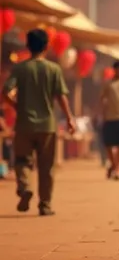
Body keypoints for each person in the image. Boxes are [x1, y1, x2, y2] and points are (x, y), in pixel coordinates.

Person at [1, 28, 75, 215]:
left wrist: (17, 106)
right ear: (47, 46)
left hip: (24, 124)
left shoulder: (20, 68)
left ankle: (25, 188)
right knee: (46, 166)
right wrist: (69, 118)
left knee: (22, 161)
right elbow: (61, 96)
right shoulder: (53, 69)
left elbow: (5, 92)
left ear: (28, 46)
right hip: (47, 125)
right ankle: (45, 204)